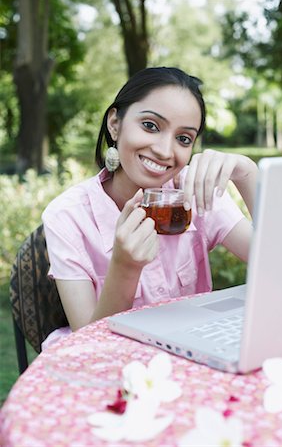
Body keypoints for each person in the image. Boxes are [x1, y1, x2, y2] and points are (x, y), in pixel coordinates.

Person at [42, 66, 257, 349]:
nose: (165, 151)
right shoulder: (67, 216)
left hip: (189, 358)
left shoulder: (194, 192)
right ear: (115, 123)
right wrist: (124, 267)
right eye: (150, 126)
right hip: (109, 365)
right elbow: (90, 344)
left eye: (183, 139)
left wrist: (248, 175)